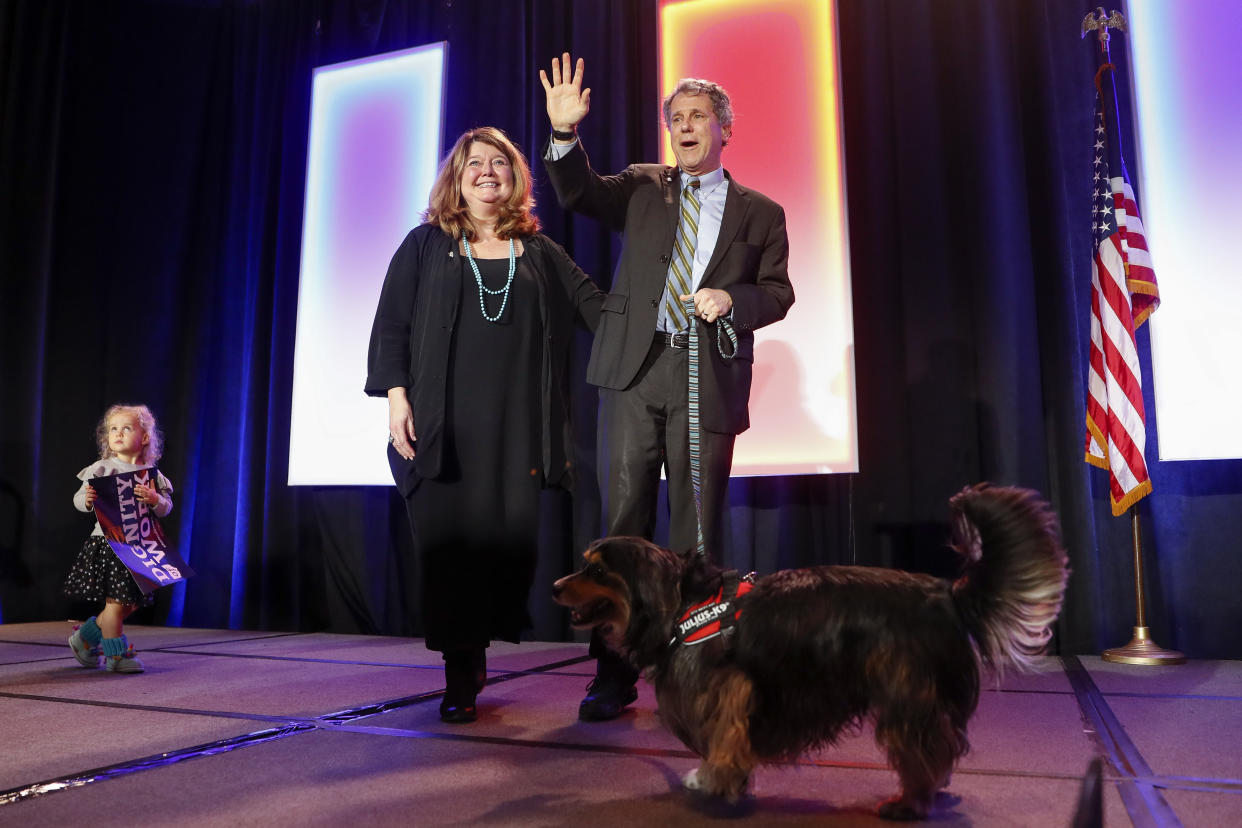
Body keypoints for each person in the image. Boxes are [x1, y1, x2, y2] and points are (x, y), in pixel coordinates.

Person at [540, 54, 795, 720]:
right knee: (620, 532)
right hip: (633, 373)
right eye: (676, 119)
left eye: (698, 118)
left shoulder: (760, 212)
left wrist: (730, 298)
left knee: (696, 538)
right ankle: (613, 677)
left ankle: (699, 673)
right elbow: (578, 193)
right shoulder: (643, 186)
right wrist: (565, 137)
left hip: (704, 376)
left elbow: (778, 293)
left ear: (724, 129)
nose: (684, 128)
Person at [365, 127, 604, 724]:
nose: (488, 171)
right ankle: (460, 671)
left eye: (501, 162)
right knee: (450, 552)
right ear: (457, 176)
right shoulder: (424, 245)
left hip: (517, 431)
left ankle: (478, 650)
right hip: (444, 429)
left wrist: (669, 306)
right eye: (476, 163)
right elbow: (391, 323)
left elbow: (598, 308)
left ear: (517, 178)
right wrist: (397, 397)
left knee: (504, 550)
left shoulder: (542, 252)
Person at [65, 404, 174, 674]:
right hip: (109, 544)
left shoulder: (152, 474)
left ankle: (86, 638)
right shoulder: (102, 468)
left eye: (126, 428)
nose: (118, 433)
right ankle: (116, 656)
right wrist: (86, 501)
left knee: (131, 602)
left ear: (145, 437)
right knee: (115, 603)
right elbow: (79, 498)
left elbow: (166, 507)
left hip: (139, 546)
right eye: (114, 429)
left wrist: (156, 499)